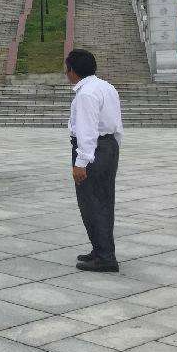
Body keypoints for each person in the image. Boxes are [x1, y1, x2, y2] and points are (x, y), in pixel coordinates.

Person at [65, 49, 124, 273]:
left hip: (94, 150)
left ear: (72, 70)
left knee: (91, 203)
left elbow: (87, 131)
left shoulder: (86, 94)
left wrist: (81, 162)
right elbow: (116, 124)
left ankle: (105, 257)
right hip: (109, 147)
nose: (66, 73)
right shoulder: (106, 87)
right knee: (104, 201)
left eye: (67, 68)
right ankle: (101, 249)